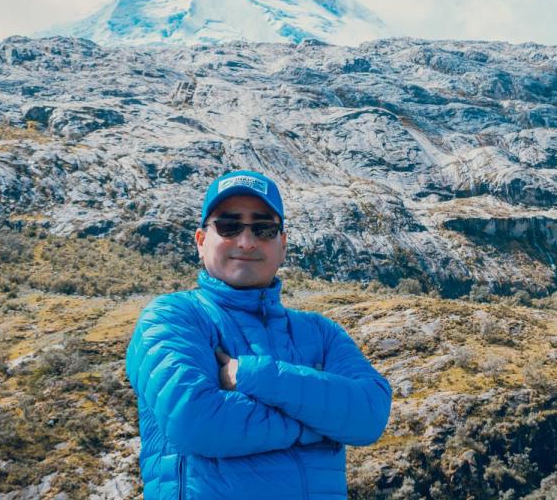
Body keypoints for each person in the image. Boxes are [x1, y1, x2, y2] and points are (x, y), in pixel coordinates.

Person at [126, 170, 392, 499]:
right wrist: (319, 422)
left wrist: (251, 375)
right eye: (229, 225)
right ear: (200, 240)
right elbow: (195, 422)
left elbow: (370, 415)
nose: (247, 241)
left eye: (263, 228)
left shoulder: (321, 332)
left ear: (282, 244)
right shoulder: (173, 318)